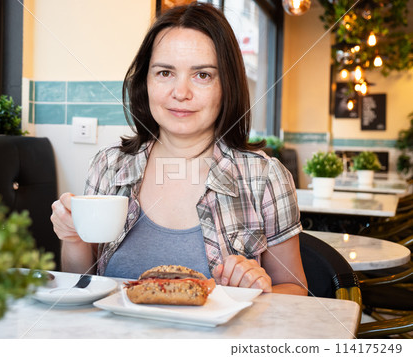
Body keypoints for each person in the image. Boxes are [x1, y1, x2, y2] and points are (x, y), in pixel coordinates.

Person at [51, 2, 308, 295]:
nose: (180, 93)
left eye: (202, 75)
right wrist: (73, 239)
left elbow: (296, 288)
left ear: (227, 85)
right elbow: (81, 283)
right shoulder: (109, 166)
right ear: (145, 81)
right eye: (164, 73)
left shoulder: (264, 177)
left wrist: (261, 290)